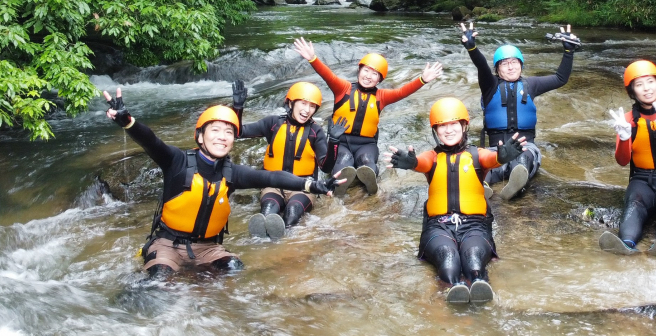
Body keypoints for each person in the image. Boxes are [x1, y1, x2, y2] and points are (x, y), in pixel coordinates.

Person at [102, 88, 338, 276]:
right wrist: (128, 122)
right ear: (200, 136)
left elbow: (271, 177)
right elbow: (151, 141)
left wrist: (312, 185)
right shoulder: (176, 161)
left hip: (208, 248)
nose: (222, 137)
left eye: (228, 133)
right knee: (159, 279)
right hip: (167, 245)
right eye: (215, 130)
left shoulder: (232, 173)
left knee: (234, 271)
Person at [383, 98, 527, 304]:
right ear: (435, 130)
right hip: (438, 227)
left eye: (453, 124)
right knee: (447, 258)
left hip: (474, 225)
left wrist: (502, 158)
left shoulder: (477, 155)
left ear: (464, 126)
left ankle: (479, 283)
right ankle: (454, 287)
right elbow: (421, 163)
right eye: (442, 126)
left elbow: (491, 159)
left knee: (473, 257)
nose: (448, 130)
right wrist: (412, 162)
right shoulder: (432, 157)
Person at [292, 37, 442, 196]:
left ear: (380, 79)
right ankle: (341, 182)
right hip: (340, 141)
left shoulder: (381, 96)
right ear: (359, 71)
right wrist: (312, 59)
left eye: (374, 74)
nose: (369, 76)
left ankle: (369, 180)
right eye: (366, 71)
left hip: (366, 143)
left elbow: (402, 92)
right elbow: (328, 75)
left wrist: (422, 80)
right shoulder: (343, 88)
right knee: (343, 161)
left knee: (367, 161)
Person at [459, 21, 580, 199]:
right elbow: (482, 66)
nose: (510, 66)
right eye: (505, 64)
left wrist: (569, 52)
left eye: (514, 62)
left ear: (521, 65)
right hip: (496, 149)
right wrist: (472, 48)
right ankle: (482, 185)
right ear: (498, 69)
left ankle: (517, 182)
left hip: (525, 145)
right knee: (482, 161)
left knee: (523, 158)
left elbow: (560, 78)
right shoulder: (490, 85)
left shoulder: (532, 85)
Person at [599, 60, 656, 257]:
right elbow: (622, 161)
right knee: (633, 206)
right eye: (639, 85)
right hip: (642, 180)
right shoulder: (627, 120)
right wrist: (624, 138)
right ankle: (626, 244)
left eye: (650, 82)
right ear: (632, 91)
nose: (646, 89)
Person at [235, 81, 347, 240]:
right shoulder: (273, 123)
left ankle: (284, 242)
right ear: (290, 103)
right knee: (268, 209)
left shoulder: (316, 132)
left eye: (312, 106)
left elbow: (326, 167)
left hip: (303, 187)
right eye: (303, 103)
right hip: (274, 185)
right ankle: (261, 241)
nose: (307, 110)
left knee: (293, 211)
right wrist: (237, 109)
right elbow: (239, 132)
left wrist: (334, 142)